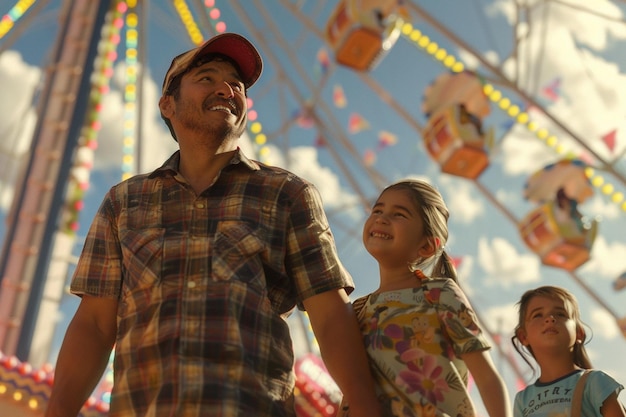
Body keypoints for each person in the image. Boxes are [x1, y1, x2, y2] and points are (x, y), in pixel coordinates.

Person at [45, 33, 381, 417]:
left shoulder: (287, 193)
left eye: (236, 84)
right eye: (206, 77)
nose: (226, 88)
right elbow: (94, 325)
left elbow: (330, 314)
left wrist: (367, 406)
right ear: (167, 104)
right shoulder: (123, 202)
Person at [352, 179, 512, 416]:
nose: (381, 218)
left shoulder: (438, 294)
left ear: (427, 246)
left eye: (399, 214)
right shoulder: (357, 310)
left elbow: (486, 377)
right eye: (377, 209)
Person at [511, 285, 626, 417]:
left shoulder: (594, 381)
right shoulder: (522, 399)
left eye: (560, 314)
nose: (550, 319)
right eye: (537, 315)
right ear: (523, 336)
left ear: (579, 333)